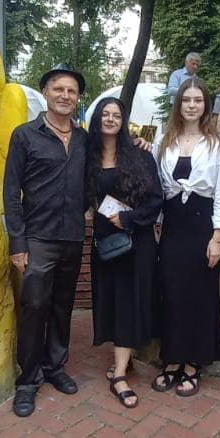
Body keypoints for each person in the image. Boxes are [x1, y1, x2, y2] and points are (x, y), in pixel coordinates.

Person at [3, 64, 89, 417]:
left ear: (77, 98)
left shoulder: (84, 139)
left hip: (72, 236)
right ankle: (28, 381)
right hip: (37, 238)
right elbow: (11, 193)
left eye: (71, 91)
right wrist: (18, 243)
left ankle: (55, 366)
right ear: (46, 93)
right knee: (34, 307)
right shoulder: (25, 135)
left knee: (62, 306)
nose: (65, 96)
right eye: (59, 89)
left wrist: (141, 142)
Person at [152, 78, 220, 398]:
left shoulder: (215, 144)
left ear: (205, 105)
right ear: (179, 104)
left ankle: (192, 363)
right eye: (186, 100)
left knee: (199, 296)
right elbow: (155, 184)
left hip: (203, 225)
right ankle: (172, 358)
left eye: (197, 100)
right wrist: (155, 224)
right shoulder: (165, 140)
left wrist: (218, 236)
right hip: (173, 225)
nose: (191, 105)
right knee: (172, 294)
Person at [85, 97, 162, 408]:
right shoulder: (88, 155)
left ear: (123, 120)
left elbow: (156, 199)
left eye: (116, 115)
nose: (110, 119)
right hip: (106, 243)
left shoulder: (140, 155)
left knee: (129, 302)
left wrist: (129, 218)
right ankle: (124, 358)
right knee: (112, 301)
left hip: (135, 241)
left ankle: (118, 375)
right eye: (105, 114)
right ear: (97, 119)